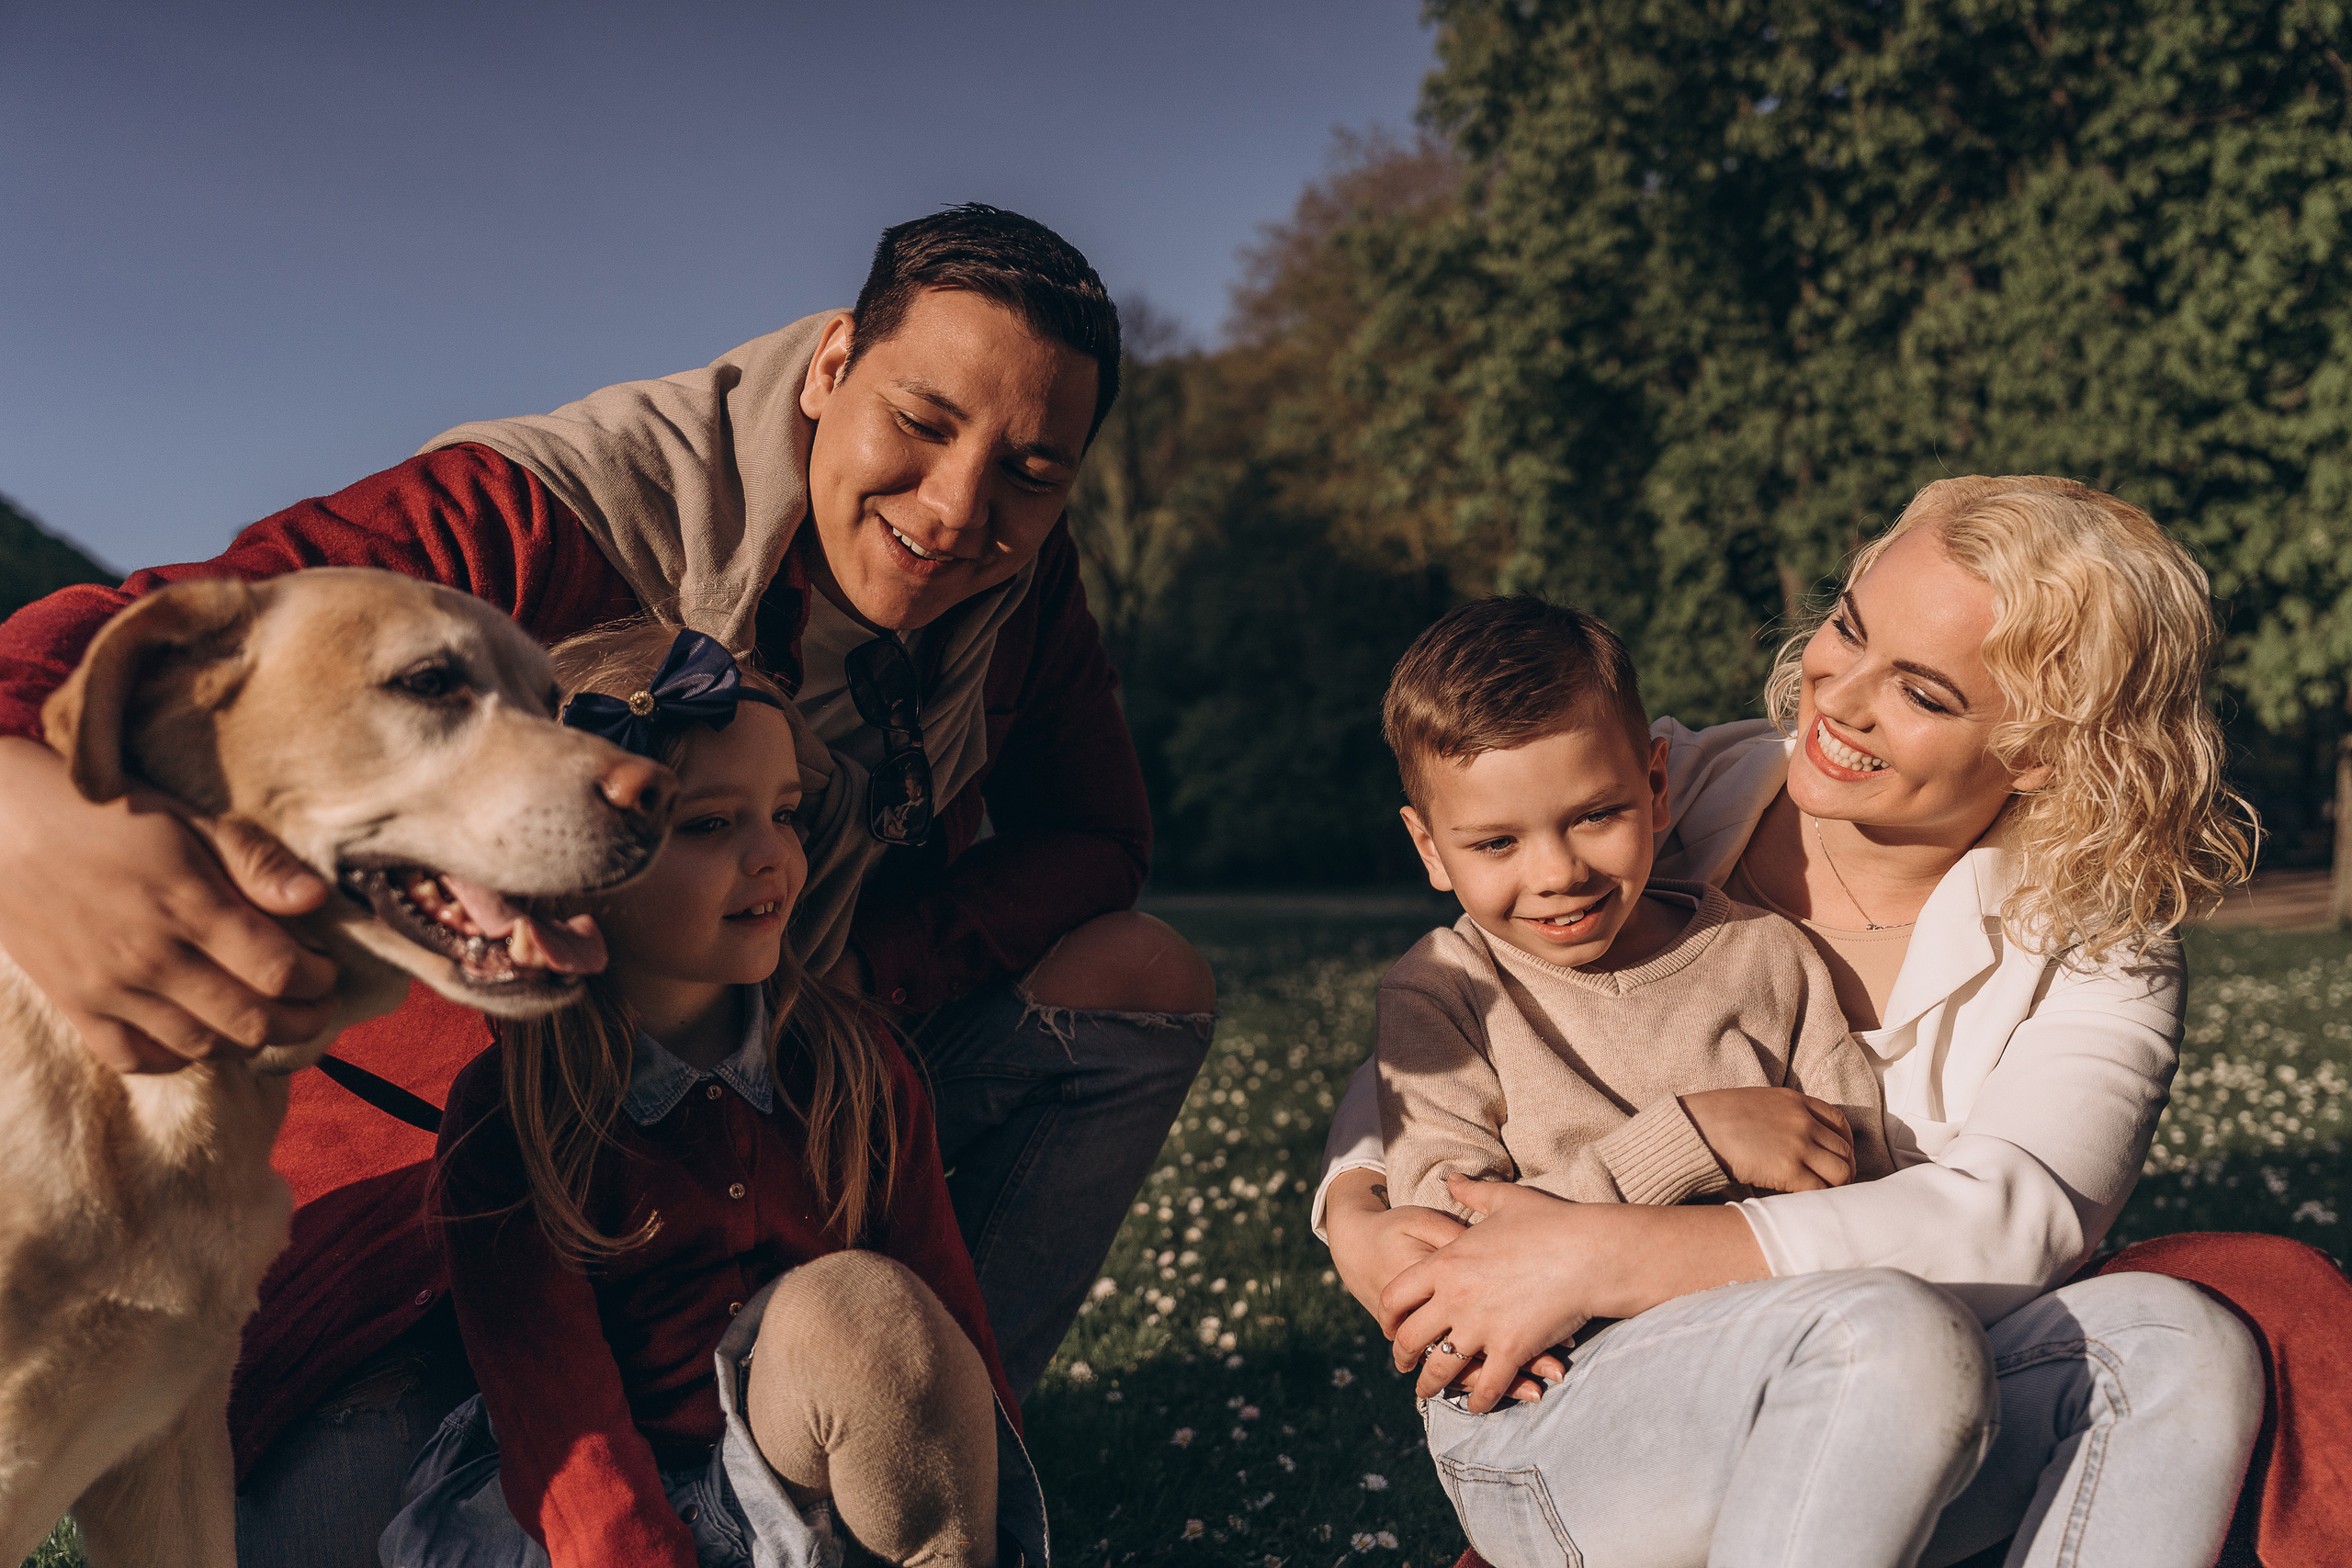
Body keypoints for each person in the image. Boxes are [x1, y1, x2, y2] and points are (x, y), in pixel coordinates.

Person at [0, 205, 1213, 1566]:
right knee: (323, 1527)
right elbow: (151, 632)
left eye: (1031, 472)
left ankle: (885, 1442)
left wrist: (876, 972)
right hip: (473, 1154)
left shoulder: (1019, 594)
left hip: (771, 1098)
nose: (956, 507)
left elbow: (1100, 837)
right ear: (827, 370)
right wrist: (16, 806)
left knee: (1139, 979)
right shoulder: (533, 510)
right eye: (921, 421)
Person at [1319, 476, 2352, 1567]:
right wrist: (1353, 1209)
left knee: (2182, 1346)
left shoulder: (2099, 939)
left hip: (1878, 1354)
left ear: (2044, 747)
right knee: (1888, 1338)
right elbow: (1463, 1023)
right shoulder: (1660, 793)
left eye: (1923, 692)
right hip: (1599, 1393)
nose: (1836, 698)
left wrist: (1599, 1250)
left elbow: (2017, 1219)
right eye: (1848, 629)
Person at [383, 623, 1041, 1568]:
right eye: (706, 824)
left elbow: (942, 1327)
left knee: (862, 1309)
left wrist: (990, 1529)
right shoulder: (512, 1116)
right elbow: (562, 1424)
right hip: (609, 1524)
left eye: (784, 813)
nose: (772, 855)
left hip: (817, 1484)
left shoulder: (852, 1068)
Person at [1374, 596, 1893, 1247]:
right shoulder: (1443, 995)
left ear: (1655, 788)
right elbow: (1450, 1239)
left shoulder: (1767, 953)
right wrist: (1692, 1141)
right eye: (1496, 843)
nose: (1558, 874)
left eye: (1594, 816)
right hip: (1574, 1339)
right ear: (1430, 850)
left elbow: (1864, 1179)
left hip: (1781, 1301)